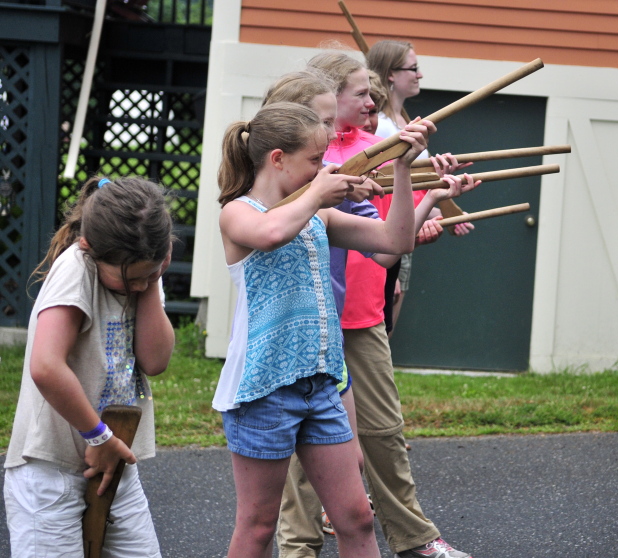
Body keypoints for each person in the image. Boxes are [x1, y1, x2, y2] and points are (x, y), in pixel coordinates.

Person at [213, 101, 436, 558]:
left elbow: (396, 242)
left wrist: (402, 168)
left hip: (320, 384)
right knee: (257, 527)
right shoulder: (238, 213)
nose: (325, 168)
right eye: (315, 161)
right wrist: (320, 191)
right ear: (278, 159)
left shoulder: (319, 215)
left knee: (356, 518)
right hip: (263, 389)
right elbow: (271, 234)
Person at [306, 50, 478, 558]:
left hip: (362, 308)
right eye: (360, 91)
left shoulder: (378, 145)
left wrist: (431, 196)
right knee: (303, 439)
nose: (372, 99)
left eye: (373, 90)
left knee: (384, 430)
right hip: (314, 317)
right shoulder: (308, 156)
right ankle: (300, 545)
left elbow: (384, 238)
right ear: (328, 96)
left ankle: (414, 537)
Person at [4, 176, 175, 557]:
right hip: (51, 472)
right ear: (89, 246)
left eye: (151, 274)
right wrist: (98, 436)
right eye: (131, 279)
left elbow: (155, 360)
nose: (140, 285)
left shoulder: (142, 269)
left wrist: (150, 280)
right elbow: (46, 366)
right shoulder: (76, 269)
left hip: (115, 465)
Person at [367, 40, 427, 327]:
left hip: (404, 229)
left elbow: (418, 185)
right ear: (391, 74)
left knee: (385, 331)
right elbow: (381, 191)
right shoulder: (381, 128)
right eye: (413, 68)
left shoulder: (402, 121)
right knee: (380, 329)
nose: (420, 74)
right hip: (381, 234)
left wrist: (439, 213)